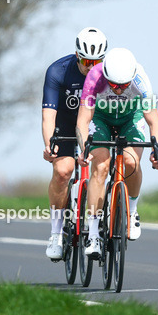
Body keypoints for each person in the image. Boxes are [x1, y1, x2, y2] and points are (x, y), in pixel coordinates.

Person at [76, 47, 158, 258]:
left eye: (123, 85)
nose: (118, 89)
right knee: (101, 167)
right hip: (101, 119)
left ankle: (132, 212)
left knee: (132, 162)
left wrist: (157, 151)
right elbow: (83, 120)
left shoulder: (141, 80)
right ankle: (94, 234)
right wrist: (83, 148)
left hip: (130, 118)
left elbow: (154, 123)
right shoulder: (94, 77)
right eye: (114, 85)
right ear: (105, 75)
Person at [41, 27, 107, 260]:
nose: (92, 67)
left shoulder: (108, 73)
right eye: (87, 61)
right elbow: (49, 115)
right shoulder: (57, 71)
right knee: (63, 171)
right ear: (77, 55)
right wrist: (50, 144)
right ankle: (56, 234)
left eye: (97, 61)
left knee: (101, 167)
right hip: (66, 123)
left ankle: (96, 230)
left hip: (95, 122)